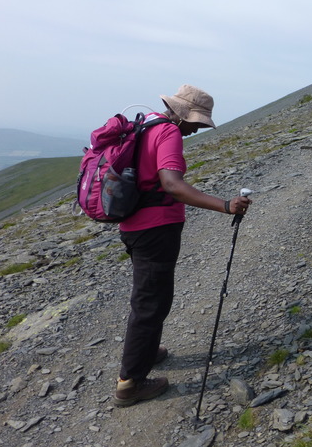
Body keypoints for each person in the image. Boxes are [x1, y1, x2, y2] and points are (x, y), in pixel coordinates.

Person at [114, 84, 252, 407]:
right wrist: (225, 205)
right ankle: (129, 383)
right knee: (150, 303)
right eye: (196, 122)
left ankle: (148, 352)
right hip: (154, 230)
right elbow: (172, 185)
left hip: (134, 225)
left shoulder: (146, 123)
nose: (195, 130)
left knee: (154, 296)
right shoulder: (169, 133)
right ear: (182, 115)